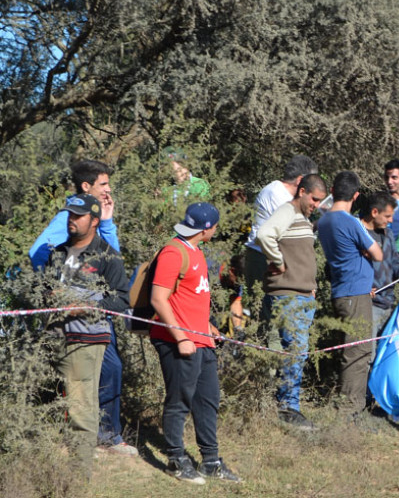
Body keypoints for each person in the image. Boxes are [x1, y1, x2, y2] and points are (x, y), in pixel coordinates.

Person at [28, 160, 137, 457]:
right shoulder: (66, 222)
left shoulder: (99, 228)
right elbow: (38, 252)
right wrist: (54, 290)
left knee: (108, 369)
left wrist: (108, 223)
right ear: (86, 186)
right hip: (69, 322)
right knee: (94, 375)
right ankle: (98, 435)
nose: (109, 189)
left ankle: (102, 434)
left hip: (95, 317)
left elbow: (110, 258)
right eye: (103, 184)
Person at [150, 202, 241, 485]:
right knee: (179, 401)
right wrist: (181, 337)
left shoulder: (196, 251)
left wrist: (209, 327)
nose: (215, 230)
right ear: (206, 229)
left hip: (202, 340)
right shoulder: (173, 252)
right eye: (214, 227)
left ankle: (211, 461)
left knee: (208, 400)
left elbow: (192, 298)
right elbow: (158, 299)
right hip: (177, 341)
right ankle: (176, 460)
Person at [45, 194, 130, 474]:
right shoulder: (57, 252)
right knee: (59, 400)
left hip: (87, 339)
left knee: (82, 404)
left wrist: (85, 307)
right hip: (54, 338)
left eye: (78, 216)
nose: (72, 220)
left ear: (94, 221)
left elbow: (120, 301)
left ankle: (78, 474)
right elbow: (44, 291)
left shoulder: (108, 256)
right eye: (69, 215)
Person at [256, 173, 327, 430]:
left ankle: (286, 406)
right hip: (288, 295)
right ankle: (289, 409)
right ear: (302, 191)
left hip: (302, 295)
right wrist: (278, 262)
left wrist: (312, 288)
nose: (316, 204)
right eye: (314, 199)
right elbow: (264, 234)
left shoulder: (304, 219)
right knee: (295, 351)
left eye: (320, 201)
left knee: (296, 351)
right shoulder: (287, 211)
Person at [315, 172, 382, 416]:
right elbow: (378, 253)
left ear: (332, 190)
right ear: (356, 195)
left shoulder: (323, 221)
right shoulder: (350, 221)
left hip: (342, 290)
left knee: (351, 347)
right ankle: (350, 410)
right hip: (355, 292)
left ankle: (347, 405)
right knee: (358, 351)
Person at [244, 154, 319, 295]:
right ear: (300, 180)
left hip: (274, 260)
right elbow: (289, 234)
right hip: (264, 260)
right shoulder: (277, 195)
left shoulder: (288, 197)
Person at [362, 191, 399, 338]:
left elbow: (395, 264)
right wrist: (360, 288)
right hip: (367, 306)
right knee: (367, 356)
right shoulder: (357, 232)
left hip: (388, 304)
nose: (391, 220)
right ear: (374, 212)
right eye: (387, 216)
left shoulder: (388, 234)